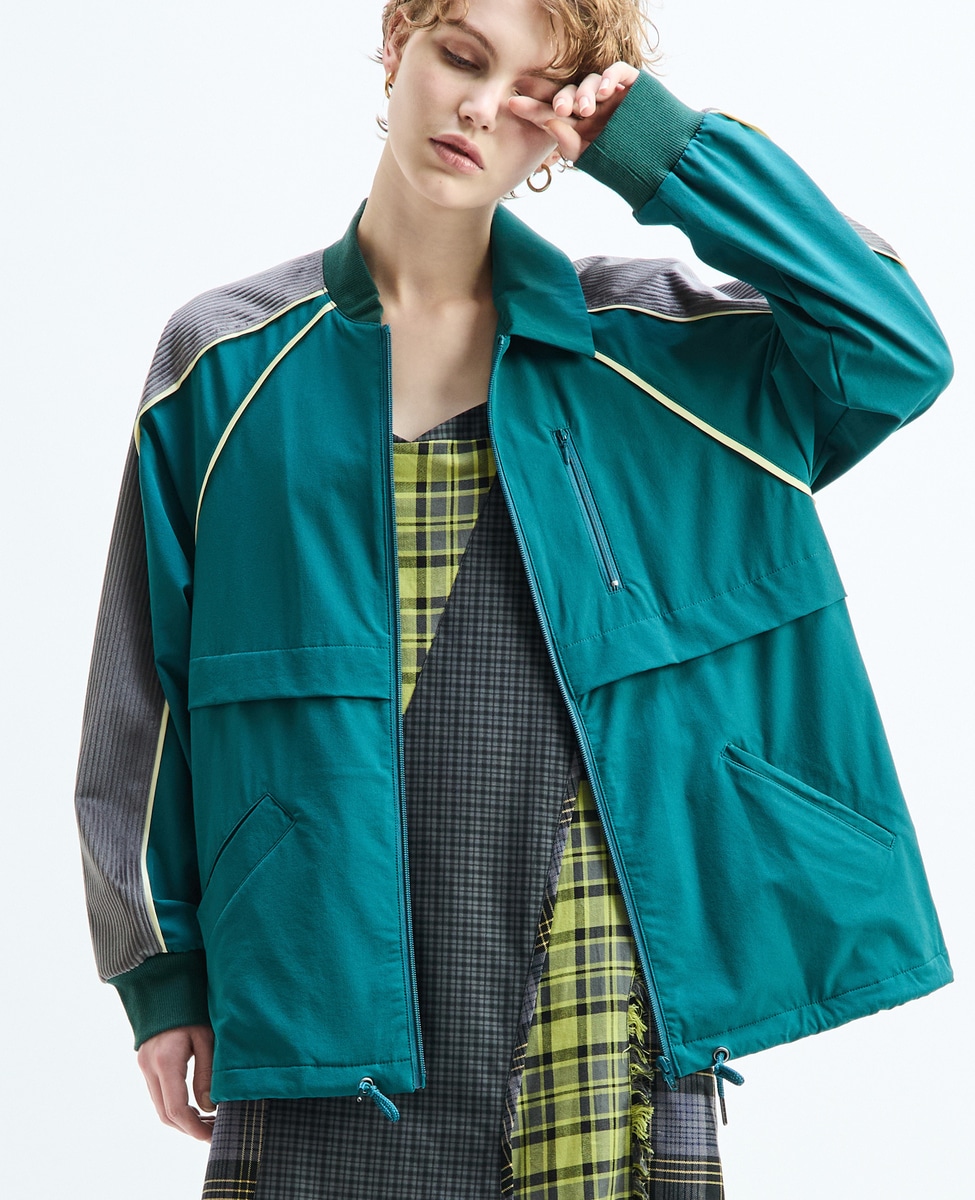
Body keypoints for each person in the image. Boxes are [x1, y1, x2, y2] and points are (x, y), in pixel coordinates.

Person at [74, 0, 954, 1196]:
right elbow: (142, 694)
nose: (482, 108)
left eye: (534, 91)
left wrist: (662, 151)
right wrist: (161, 973)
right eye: (461, 56)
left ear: (561, 136)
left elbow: (892, 344)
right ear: (399, 46)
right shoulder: (225, 362)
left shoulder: (650, 349)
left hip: (597, 973)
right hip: (315, 971)